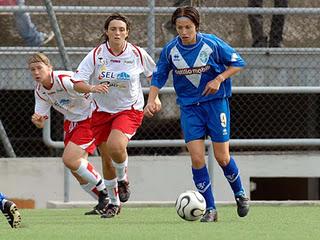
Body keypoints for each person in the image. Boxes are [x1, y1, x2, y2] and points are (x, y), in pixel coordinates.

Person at [144, 6, 249, 222]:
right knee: (197, 158)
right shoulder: (171, 49)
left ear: (196, 26)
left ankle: (239, 194)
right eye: (179, 27)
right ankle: (210, 208)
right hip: (190, 108)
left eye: (188, 27)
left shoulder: (211, 43)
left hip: (215, 104)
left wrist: (219, 79)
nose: (183, 31)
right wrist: (152, 98)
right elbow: (159, 74)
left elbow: (238, 62)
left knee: (222, 157)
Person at [72, 13, 159, 218]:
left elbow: (154, 76)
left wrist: (154, 99)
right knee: (107, 160)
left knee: (116, 146)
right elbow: (77, 84)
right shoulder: (96, 55)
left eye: (121, 29)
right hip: (101, 111)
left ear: (127, 33)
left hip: (129, 109)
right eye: (113, 29)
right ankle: (114, 203)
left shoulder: (136, 53)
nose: (117, 33)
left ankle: (123, 179)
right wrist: (93, 87)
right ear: (106, 32)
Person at [29, 52, 109, 215]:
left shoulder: (64, 79)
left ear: (50, 68)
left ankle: (106, 192)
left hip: (90, 117)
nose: (36, 72)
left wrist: (93, 88)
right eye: (32, 70)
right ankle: (103, 203)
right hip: (72, 122)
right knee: (75, 169)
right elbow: (41, 120)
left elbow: (81, 84)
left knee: (70, 159)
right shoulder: (40, 91)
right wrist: (38, 121)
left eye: (39, 68)